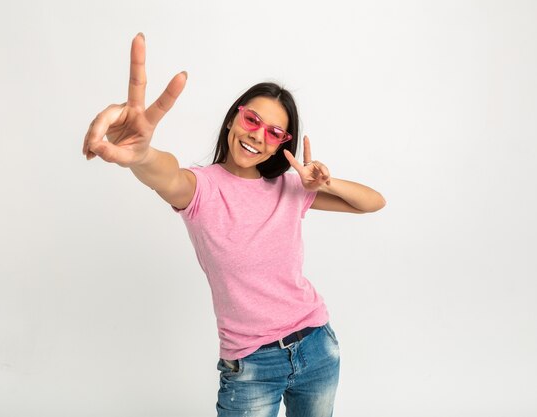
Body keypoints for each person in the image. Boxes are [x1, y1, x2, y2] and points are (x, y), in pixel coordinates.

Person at [82, 33, 385, 417]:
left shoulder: (290, 188)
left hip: (317, 347)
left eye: (275, 132)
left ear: (281, 146)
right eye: (252, 120)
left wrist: (324, 181)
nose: (259, 135)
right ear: (233, 119)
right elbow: (167, 175)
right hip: (252, 367)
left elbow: (372, 203)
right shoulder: (201, 189)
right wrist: (141, 155)